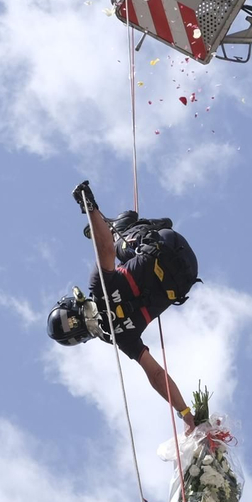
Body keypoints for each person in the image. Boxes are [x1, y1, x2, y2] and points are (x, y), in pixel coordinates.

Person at [48, 181, 201, 424]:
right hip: (168, 244)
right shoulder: (98, 287)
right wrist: (89, 208)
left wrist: (185, 413)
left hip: (186, 277)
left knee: (119, 252)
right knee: (120, 246)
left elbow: (156, 374)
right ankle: (125, 224)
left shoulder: (120, 338)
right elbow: (105, 248)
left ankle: (121, 225)